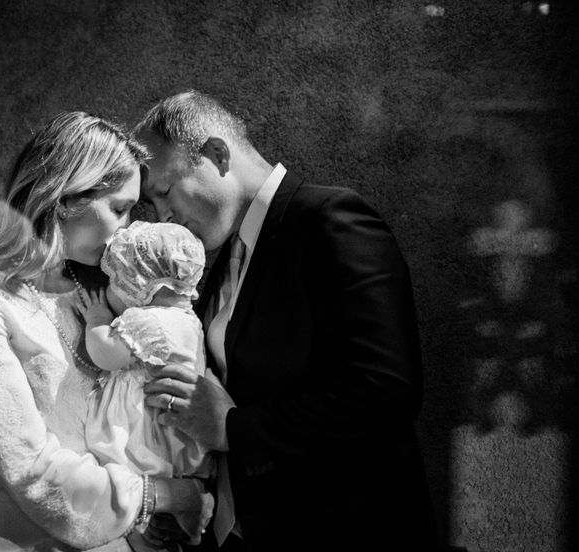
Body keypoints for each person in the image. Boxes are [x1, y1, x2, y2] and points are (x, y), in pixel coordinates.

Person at [133, 91, 440, 551]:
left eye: (163, 192)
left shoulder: (330, 221)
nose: (163, 217)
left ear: (217, 154)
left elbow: (386, 388)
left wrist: (235, 428)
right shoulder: (220, 264)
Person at [0, 111, 213, 552]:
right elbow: (28, 465)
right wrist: (160, 496)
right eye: (119, 208)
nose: (128, 228)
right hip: (20, 539)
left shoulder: (100, 294)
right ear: (63, 199)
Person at [75, 220, 214, 552]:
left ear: (142, 286)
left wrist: (96, 321)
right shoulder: (188, 322)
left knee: (132, 471)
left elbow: (105, 354)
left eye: (114, 281)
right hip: (173, 442)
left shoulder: (148, 320)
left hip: (146, 437)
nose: (109, 290)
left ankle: (144, 525)